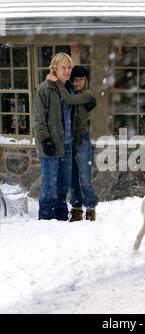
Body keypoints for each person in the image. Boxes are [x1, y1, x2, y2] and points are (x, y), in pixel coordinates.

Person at [46, 66, 98, 222]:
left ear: (85, 80)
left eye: (81, 79)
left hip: (82, 141)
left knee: (85, 179)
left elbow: (69, 99)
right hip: (68, 140)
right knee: (72, 179)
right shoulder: (69, 91)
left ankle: (90, 208)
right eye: (75, 80)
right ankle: (76, 209)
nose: (78, 82)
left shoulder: (87, 94)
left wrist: (58, 83)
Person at [32, 52, 74, 220]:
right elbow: (38, 119)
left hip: (67, 145)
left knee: (63, 186)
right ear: (55, 68)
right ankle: (46, 220)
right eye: (63, 67)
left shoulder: (68, 90)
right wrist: (45, 140)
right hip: (50, 145)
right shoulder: (44, 89)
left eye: (69, 67)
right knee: (50, 187)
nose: (67, 71)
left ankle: (61, 218)